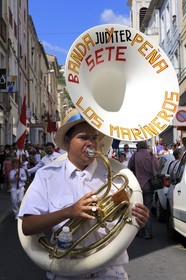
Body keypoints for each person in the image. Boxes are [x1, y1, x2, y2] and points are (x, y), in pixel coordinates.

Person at [19, 109, 149, 280]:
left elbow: (127, 216)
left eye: (94, 138)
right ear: (67, 141)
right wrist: (69, 212)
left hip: (110, 272)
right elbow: (28, 226)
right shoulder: (47, 175)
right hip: (67, 272)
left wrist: (139, 217)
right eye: (83, 137)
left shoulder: (116, 177)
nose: (91, 143)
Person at [128, 141, 158, 240]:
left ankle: (138, 231)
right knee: (147, 210)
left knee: (137, 209)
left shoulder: (135, 155)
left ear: (139, 146)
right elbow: (157, 167)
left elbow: (129, 168)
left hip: (137, 187)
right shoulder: (151, 155)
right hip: (149, 186)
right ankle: (148, 233)